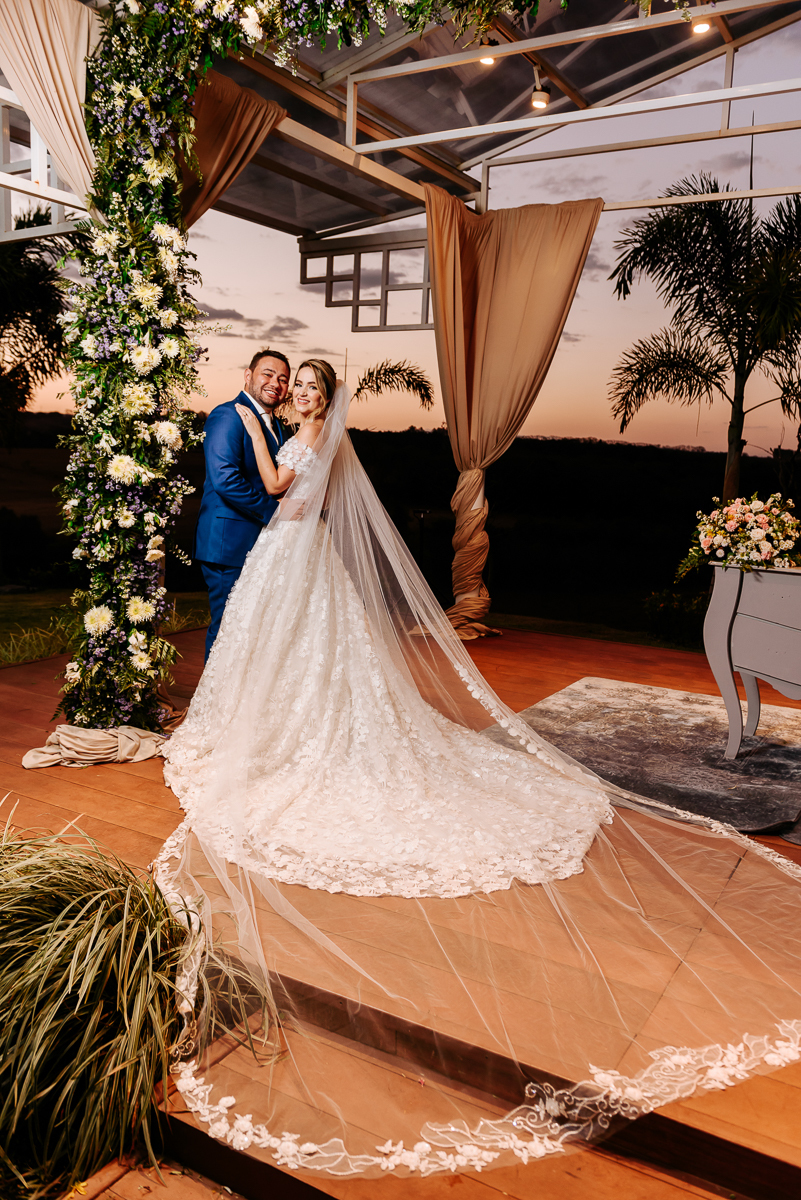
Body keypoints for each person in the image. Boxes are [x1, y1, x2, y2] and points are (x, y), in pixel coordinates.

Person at [158, 359, 801, 1182]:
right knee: (288, 661)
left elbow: (281, 487)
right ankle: (271, 730)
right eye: (298, 385)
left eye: (311, 385)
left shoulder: (303, 434)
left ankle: (288, 739)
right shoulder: (306, 427)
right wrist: (258, 427)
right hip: (288, 561)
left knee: (308, 666)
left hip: (292, 552)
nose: (303, 393)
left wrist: (252, 429)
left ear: (323, 396)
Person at [194, 349, 290, 660]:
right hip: (228, 543)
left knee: (252, 628)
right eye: (268, 374)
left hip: (261, 544)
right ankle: (212, 707)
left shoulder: (279, 427)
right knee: (226, 627)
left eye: (283, 379)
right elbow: (225, 480)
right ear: (248, 376)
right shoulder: (226, 415)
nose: (275, 383)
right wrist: (277, 512)